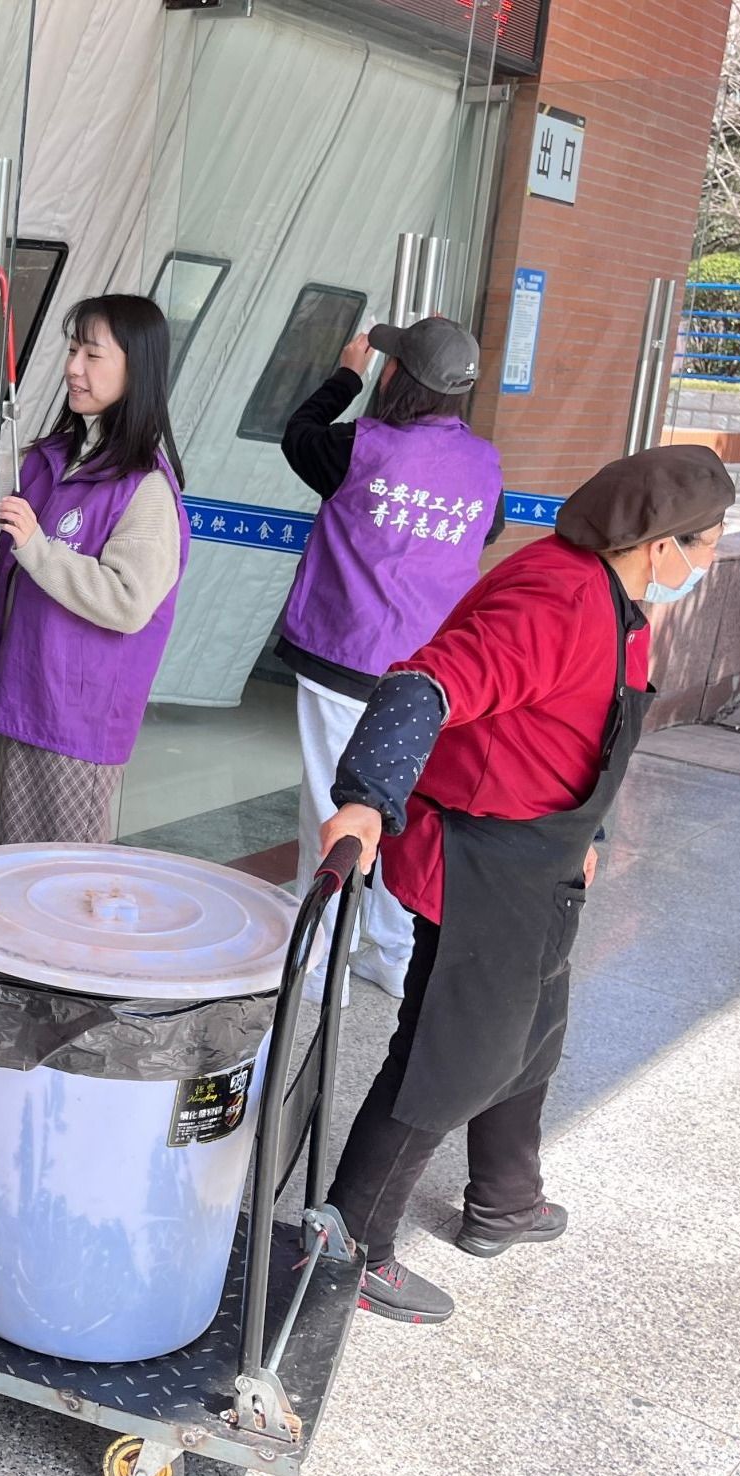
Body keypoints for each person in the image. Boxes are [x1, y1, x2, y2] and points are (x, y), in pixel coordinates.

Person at [317, 444, 733, 1325]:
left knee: (533, 1031)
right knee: (446, 1055)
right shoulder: (557, 598)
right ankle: (349, 1248)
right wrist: (364, 797)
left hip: (545, 852)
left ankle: (504, 1199)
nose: (711, 559)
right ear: (661, 545)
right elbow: (428, 683)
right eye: (707, 543)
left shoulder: (620, 600)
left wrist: (588, 832)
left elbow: (584, 732)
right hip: (481, 860)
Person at [278, 316, 504, 998]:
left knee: (332, 809)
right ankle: (393, 951)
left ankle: (320, 967)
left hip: (342, 658)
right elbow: (486, 530)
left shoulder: (356, 446)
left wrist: (346, 375)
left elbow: (298, 434)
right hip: (426, 680)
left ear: (396, 373)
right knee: (396, 813)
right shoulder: (484, 463)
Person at [0, 294, 189, 845]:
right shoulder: (56, 457)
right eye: (73, 350)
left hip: (81, 720)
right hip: (29, 695)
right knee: (16, 856)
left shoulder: (145, 487)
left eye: (93, 355)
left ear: (136, 370)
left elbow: (128, 602)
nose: (73, 368)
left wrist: (38, 549)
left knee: (68, 870)